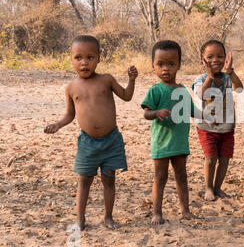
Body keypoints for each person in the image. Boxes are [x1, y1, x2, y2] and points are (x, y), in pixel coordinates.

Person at [44, 35, 138, 230]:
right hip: (87, 143)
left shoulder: (106, 80)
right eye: (78, 58)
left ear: (98, 58)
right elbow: (70, 114)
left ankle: (108, 217)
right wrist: (57, 125)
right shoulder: (71, 87)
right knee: (84, 180)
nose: (84, 62)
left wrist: (131, 80)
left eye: (90, 57)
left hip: (111, 140)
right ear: (71, 59)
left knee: (109, 179)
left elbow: (127, 97)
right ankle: (80, 219)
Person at [141, 40, 197, 225]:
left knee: (182, 176)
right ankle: (157, 212)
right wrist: (156, 113)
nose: (166, 69)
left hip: (180, 142)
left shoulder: (182, 90)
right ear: (153, 66)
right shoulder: (155, 90)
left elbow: (192, 111)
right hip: (162, 143)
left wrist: (208, 114)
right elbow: (146, 113)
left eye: (171, 64)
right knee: (160, 177)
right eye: (161, 64)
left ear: (179, 65)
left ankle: (185, 211)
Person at [192, 40, 243, 201]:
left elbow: (240, 88)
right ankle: (208, 188)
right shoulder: (201, 79)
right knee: (211, 158)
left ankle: (218, 187)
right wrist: (210, 76)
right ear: (202, 61)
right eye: (210, 57)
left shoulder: (227, 78)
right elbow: (202, 94)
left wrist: (230, 71)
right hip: (207, 127)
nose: (215, 60)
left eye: (220, 56)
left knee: (225, 158)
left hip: (227, 127)